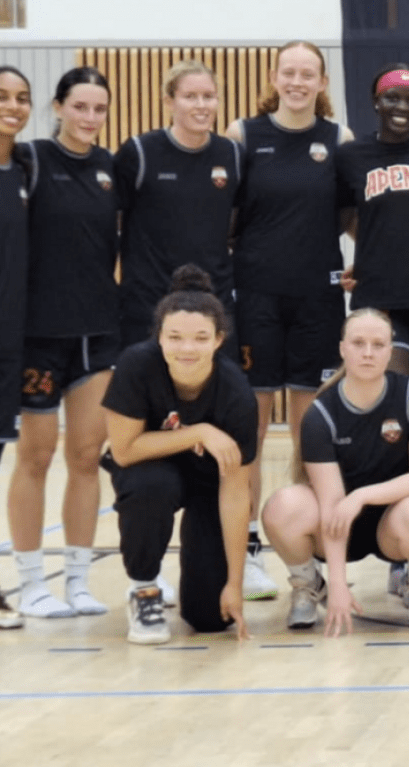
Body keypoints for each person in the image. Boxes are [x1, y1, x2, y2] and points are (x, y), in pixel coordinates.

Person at [226, 40, 353, 603]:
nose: (298, 81)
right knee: (249, 430)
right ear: (275, 77)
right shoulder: (244, 135)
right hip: (255, 298)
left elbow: (351, 216)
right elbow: (225, 214)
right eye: (289, 72)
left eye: (308, 73)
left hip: (317, 300)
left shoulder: (338, 139)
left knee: (311, 433)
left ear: (322, 81)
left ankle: (310, 553)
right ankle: (249, 549)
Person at [261, 309, 409, 633]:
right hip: (337, 524)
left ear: (390, 351)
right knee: (282, 506)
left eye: (378, 344)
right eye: (358, 343)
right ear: (342, 348)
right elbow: (331, 505)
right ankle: (308, 584)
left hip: (394, 524)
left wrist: (361, 496)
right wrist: (338, 584)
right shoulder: (320, 414)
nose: (368, 352)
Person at [8, 67, 118, 619]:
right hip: (38, 336)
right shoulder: (29, 160)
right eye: (80, 106)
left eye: (99, 109)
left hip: (97, 334)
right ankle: (31, 582)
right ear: (58, 107)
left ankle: (77, 580)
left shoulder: (110, 168)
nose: (90, 118)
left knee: (85, 456)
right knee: (36, 456)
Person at [101, 265, 255, 645]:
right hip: (149, 472)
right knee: (151, 485)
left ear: (218, 340)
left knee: (210, 618)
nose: (187, 348)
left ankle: (210, 592)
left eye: (200, 338)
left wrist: (235, 584)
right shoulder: (136, 365)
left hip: (208, 485)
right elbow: (123, 451)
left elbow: (236, 494)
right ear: (159, 337)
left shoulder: (236, 394)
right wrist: (197, 432)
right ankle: (144, 590)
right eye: (175, 337)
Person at [335, 64, 409, 395]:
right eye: (392, 98)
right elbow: (345, 217)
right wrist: (374, 250)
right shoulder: (351, 155)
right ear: (377, 102)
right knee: (393, 395)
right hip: (379, 297)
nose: (402, 107)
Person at [114, 60, 241, 353]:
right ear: (169, 101)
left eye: (209, 96)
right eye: (190, 96)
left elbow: (237, 222)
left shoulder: (232, 154)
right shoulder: (139, 153)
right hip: (149, 305)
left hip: (213, 303)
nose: (201, 105)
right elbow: (113, 221)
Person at [0, 64, 31, 629]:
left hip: (6, 344)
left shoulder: (23, 170)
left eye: (21, 98)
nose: (12, 106)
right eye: (0, 96)